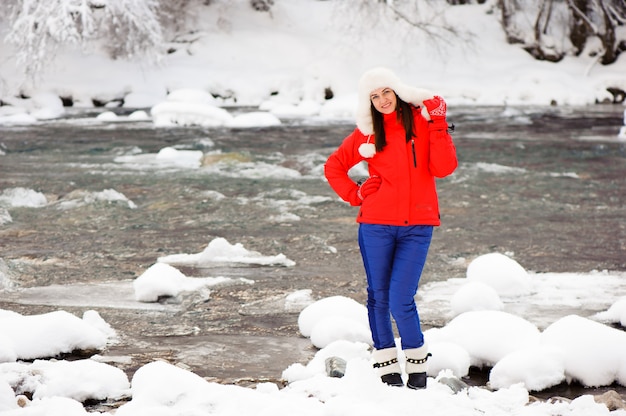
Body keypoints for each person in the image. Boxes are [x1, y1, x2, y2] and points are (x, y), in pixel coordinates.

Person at [324, 67, 458, 389]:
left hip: (418, 226)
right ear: (368, 101)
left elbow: (444, 168)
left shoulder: (423, 122)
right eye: (374, 96)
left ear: (397, 91)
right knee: (379, 296)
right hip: (376, 225)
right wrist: (356, 193)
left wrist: (439, 124)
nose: (382, 100)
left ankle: (416, 366)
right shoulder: (368, 133)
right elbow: (334, 167)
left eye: (386, 92)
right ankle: (387, 364)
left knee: (401, 298)